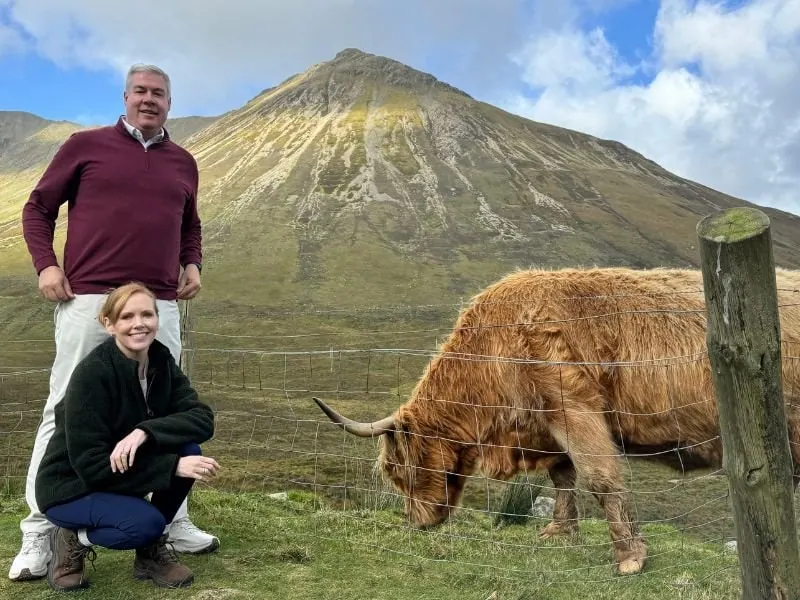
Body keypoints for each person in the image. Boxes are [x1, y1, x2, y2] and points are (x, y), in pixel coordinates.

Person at [11, 62, 218, 582]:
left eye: (160, 93)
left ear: (170, 102)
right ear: (125, 97)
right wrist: (47, 265)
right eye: (141, 91)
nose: (150, 100)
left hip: (160, 305)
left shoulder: (183, 161)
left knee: (164, 404)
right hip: (89, 299)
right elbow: (38, 209)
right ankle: (41, 528)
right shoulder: (85, 146)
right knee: (64, 409)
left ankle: (168, 525)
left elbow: (189, 224)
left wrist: (192, 261)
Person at [35, 282, 219, 591]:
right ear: (108, 324)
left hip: (120, 472)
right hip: (72, 487)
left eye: (147, 314)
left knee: (189, 447)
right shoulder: (92, 376)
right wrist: (171, 467)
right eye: (126, 317)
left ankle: (149, 554)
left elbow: (201, 419)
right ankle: (72, 537)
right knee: (146, 522)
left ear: (157, 319)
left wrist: (144, 431)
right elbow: (91, 467)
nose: (139, 324)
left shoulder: (160, 362)